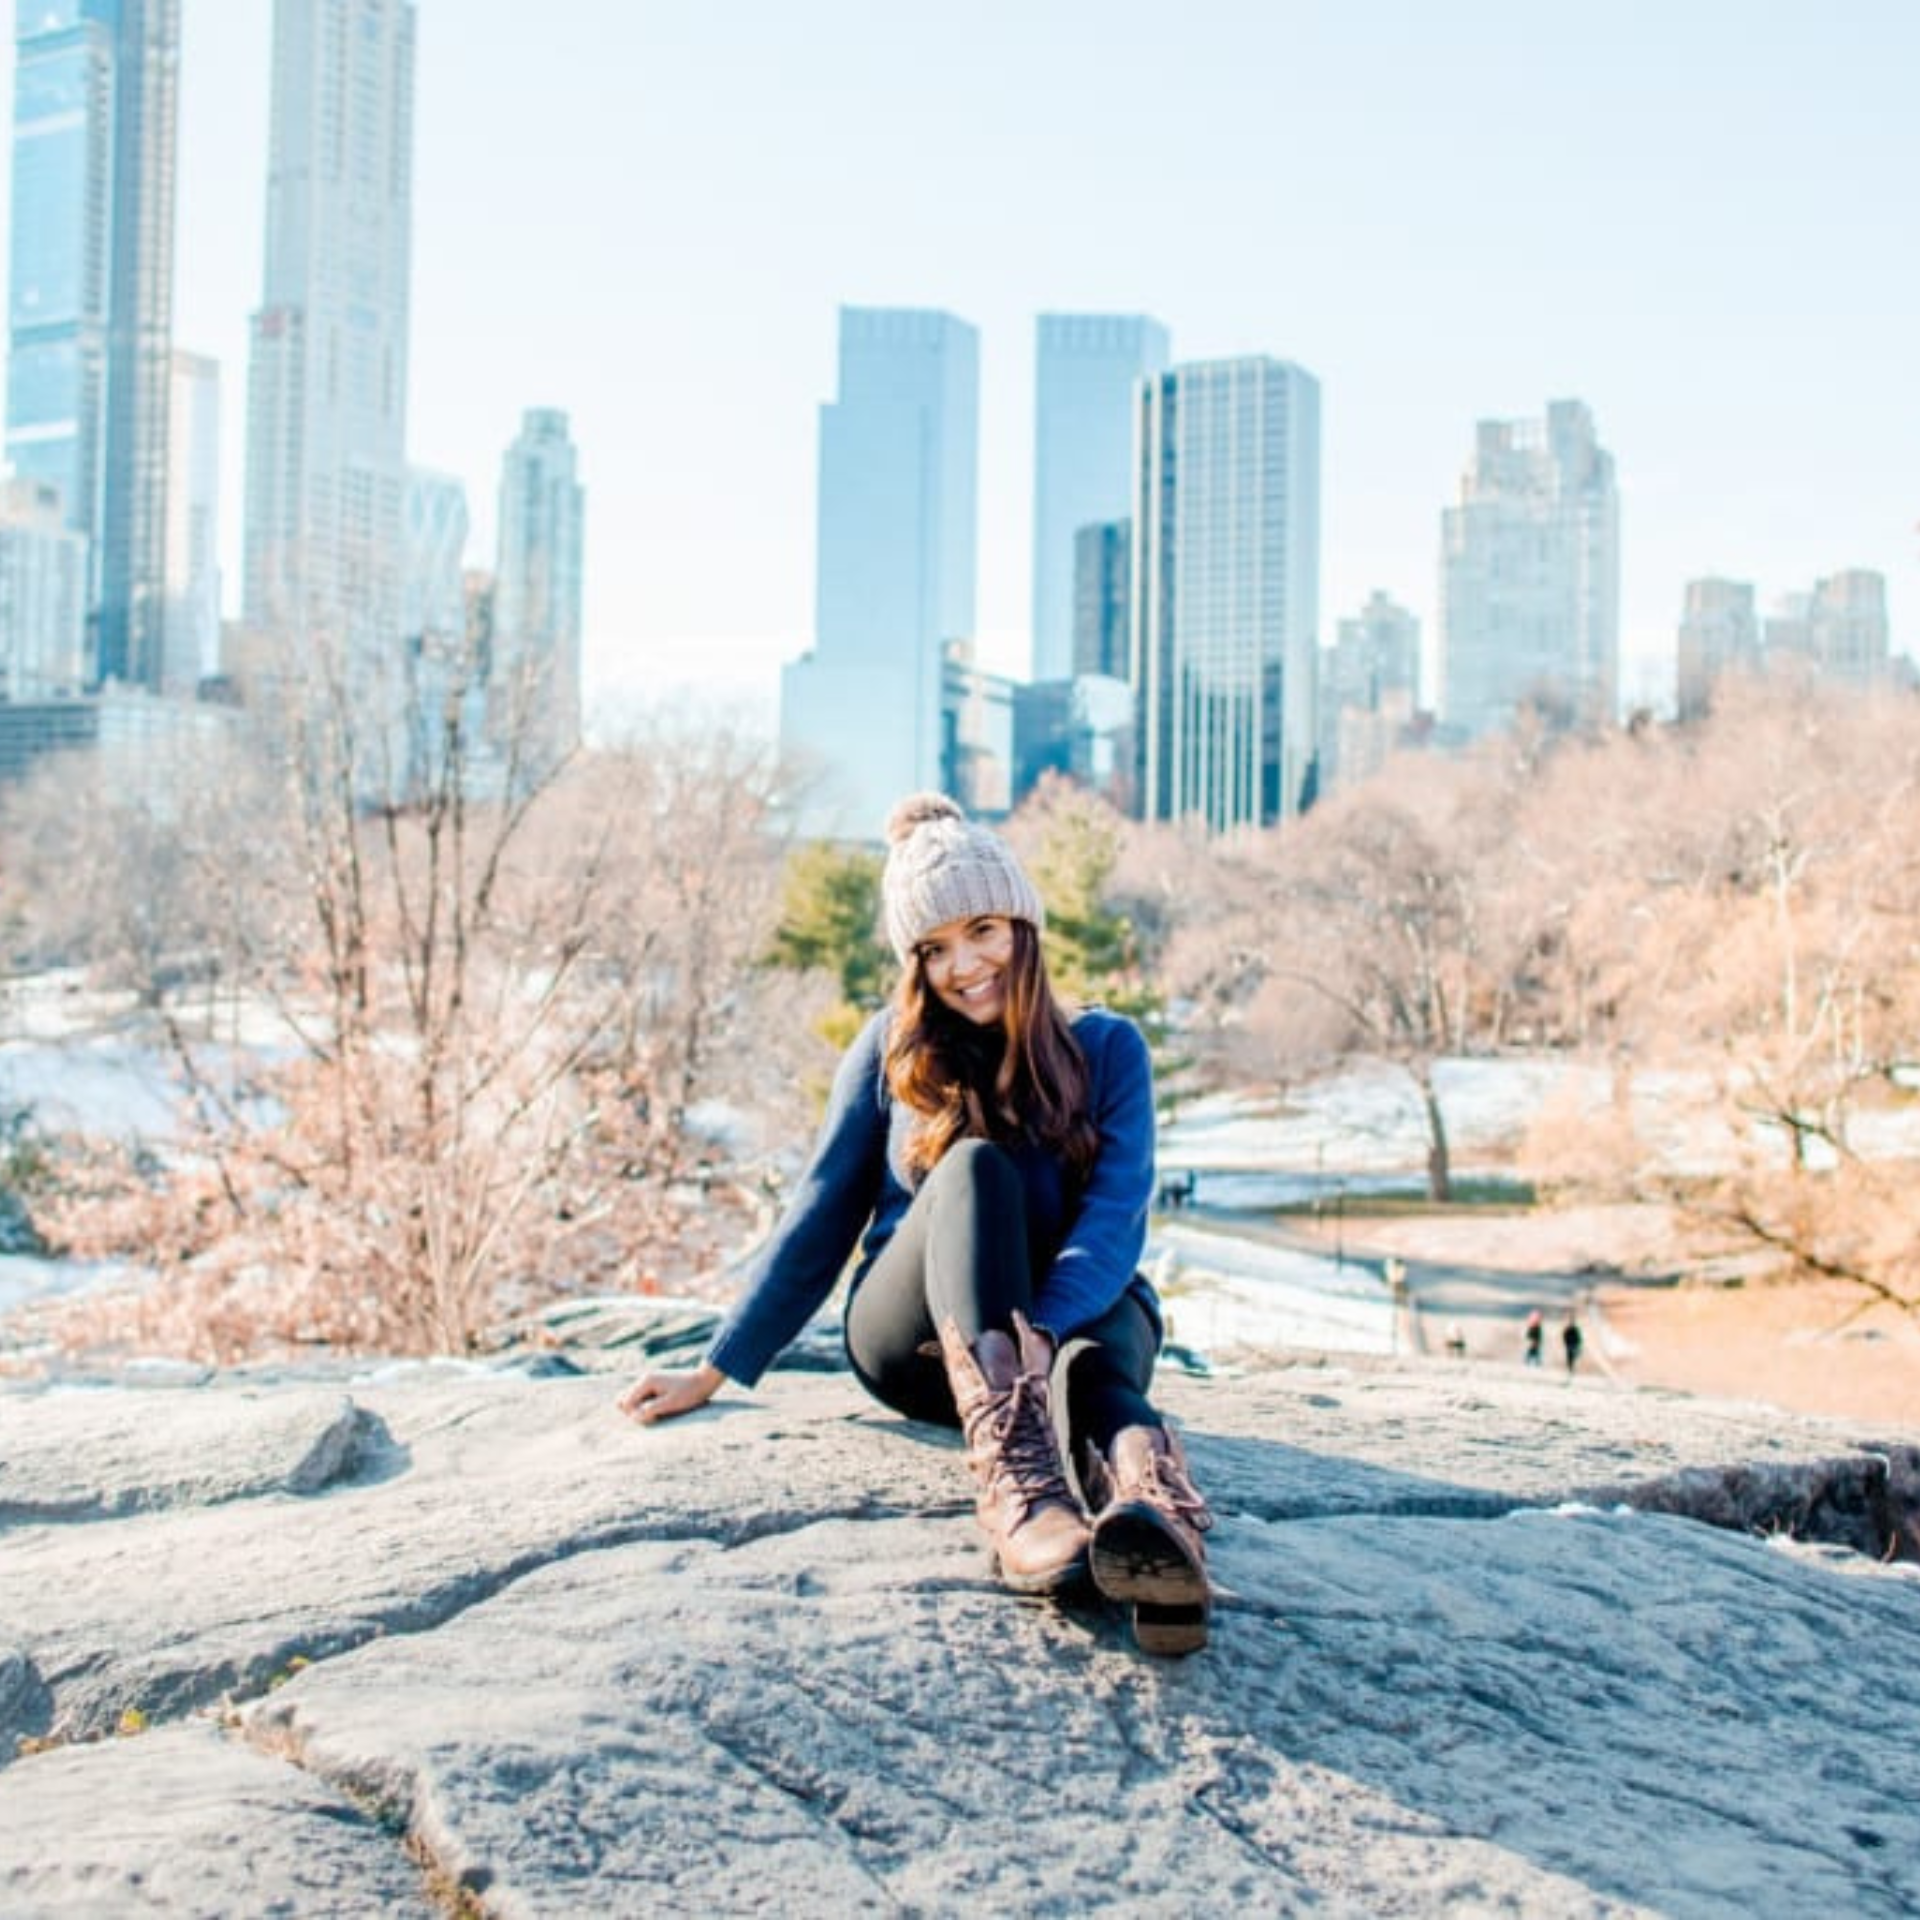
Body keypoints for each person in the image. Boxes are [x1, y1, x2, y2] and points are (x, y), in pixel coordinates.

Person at [617, 793, 1213, 1656]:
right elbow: (819, 1216)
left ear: (1022, 925)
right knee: (977, 1165)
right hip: (924, 1344)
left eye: (981, 931)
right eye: (933, 950)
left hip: (1067, 1324)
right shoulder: (892, 1050)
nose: (964, 965)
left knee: (1100, 1361)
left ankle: (1159, 1525)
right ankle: (1026, 1498)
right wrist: (715, 1369)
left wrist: (1043, 1331)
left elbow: (1115, 1221)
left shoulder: (1109, 1049)